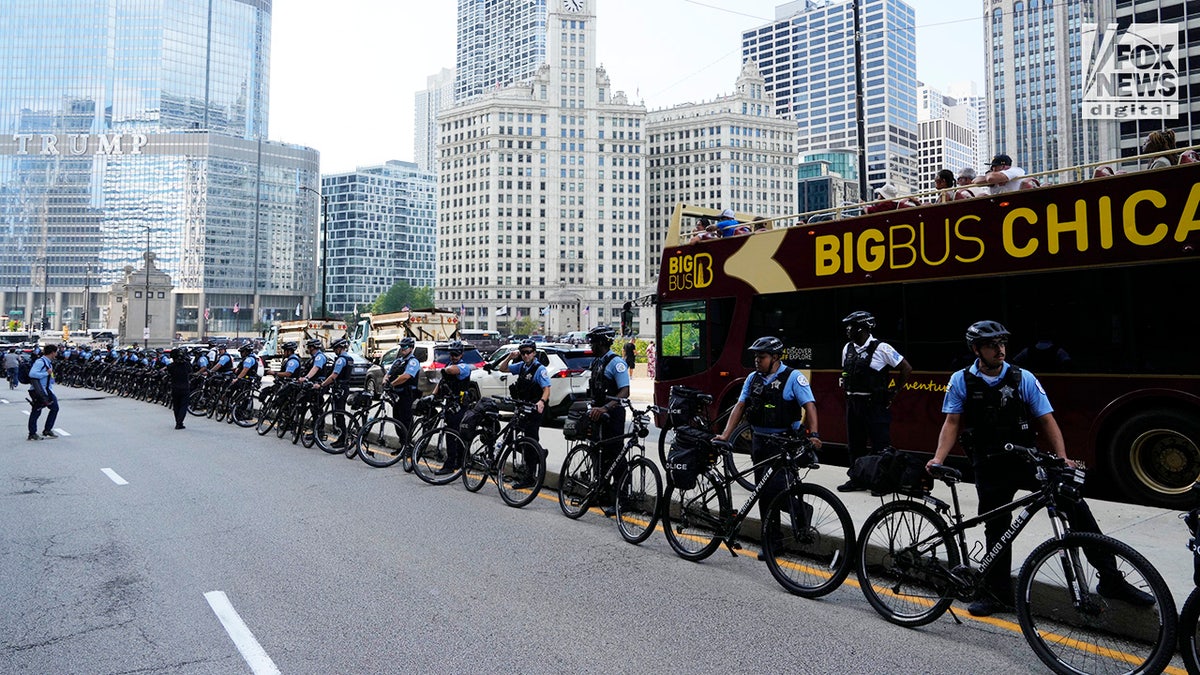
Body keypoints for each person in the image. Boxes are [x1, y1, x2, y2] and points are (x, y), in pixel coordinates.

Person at [926, 320, 1155, 617]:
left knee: (1073, 504)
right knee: (996, 527)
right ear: (976, 350)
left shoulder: (1024, 378)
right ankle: (996, 594)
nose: (1000, 350)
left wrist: (1062, 457)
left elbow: (1046, 419)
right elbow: (952, 423)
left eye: (1003, 344)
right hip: (988, 463)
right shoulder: (960, 380)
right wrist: (938, 459)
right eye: (992, 345)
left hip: (1026, 459)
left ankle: (1111, 579)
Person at [717, 336, 821, 556]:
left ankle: (798, 513)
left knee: (774, 491)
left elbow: (810, 406)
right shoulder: (752, 378)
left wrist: (814, 434)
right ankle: (772, 543)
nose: (757, 360)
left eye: (761, 357)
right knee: (763, 493)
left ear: (775, 357)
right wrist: (726, 435)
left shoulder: (793, 377)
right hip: (759, 441)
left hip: (783, 442)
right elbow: (740, 406)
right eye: (755, 356)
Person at [837, 311, 912, 492]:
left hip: (874, 405)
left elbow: (906, 368)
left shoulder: (881, 348)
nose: (848, 330)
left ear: (862, 328)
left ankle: (882, 482)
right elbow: (846, 372)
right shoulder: (848, 348)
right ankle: (857, 479)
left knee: (880, 445)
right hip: (854, 403)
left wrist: (893, 392)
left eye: (851, 326)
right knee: (855, 444)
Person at [584, 326, 631, 512]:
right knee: (597, 453)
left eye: (593, 342)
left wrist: (605, 408)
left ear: (602, 343)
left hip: (613, 416)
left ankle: (622, 499)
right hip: (597, 414)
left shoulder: (616, 363)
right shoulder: (597, 362)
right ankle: (600, 493)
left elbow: (624, 391)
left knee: (615, 456)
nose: (591, 345)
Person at [495, 339, 551, 489]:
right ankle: (539, 453)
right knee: (510, 437)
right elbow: (502, 369)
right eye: (523, 352)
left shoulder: (539, 369)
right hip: (522, 408)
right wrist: (510, 357)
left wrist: (541, 402)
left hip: (534, 409)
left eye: (528, 352)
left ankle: (530, 476)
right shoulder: (522, 366)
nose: (526, 355)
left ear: (534, 353)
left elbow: (546, 389)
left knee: (530, 440)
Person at [431, 340, 475, 474]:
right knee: (452, 434)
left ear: (461, 354)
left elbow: (451, 371)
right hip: (449, 403)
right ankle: (458, 462)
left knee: (453, 435)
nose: (453, 357)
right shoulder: (449, 364)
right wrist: (433, 395)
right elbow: (442, 381)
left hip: (460, 405)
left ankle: (451, 465)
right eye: (451, 354)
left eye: (456, 354)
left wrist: (444, 370)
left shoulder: (464, 367)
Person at [315, 337, 353, 447]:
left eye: (335, 348)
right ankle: (343, 437)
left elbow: (333, 376)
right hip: (344, 388)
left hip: (339, 389)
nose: (334, 351)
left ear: (340, 348)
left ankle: (343, 439)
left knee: (339, 414)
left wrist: (322, 385)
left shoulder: (341, 359)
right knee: (339, 413)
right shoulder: (349, 358)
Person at [383, 336, 421, 438]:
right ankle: (402, 445)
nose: (403, 349)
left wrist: (391, 384)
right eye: (401, 347)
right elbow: (389, 373)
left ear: (411, 348)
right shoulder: (398, 361)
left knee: (406, 421)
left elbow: (406, 376)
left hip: (407, 395)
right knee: (397, 420)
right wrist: (385, 380)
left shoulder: (413, 362)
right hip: (396, 395)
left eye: (405, 347)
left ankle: (407, 445)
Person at [27, 343, 60, 441]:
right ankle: (32, 433)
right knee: (36, 411)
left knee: (54, 408)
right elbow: (32, 374)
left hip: (47, 390)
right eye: (56, 352)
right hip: (39, 391)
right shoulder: (40, 362)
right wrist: (46, 373)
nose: (56, 354)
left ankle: (47, 430)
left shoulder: (48, 362)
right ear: (52, 352)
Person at [166, 347, 191, 429]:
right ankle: (179, 422)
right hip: (185, 387)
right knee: (183, 406)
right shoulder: (186, 365)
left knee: (176, 406)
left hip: (175, 387)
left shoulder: (171, 366)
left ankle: (178, 421)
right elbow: (191, 370)